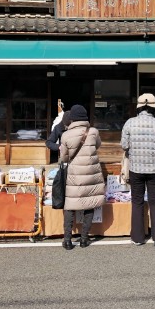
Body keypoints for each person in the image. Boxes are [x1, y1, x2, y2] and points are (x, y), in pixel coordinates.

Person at [121, 93, 155, 248]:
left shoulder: (129, 123)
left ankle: (138, 237)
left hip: (136, 168)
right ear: (153, 108)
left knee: (137, 201)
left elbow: (124, 146)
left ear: (139, 107)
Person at [59, 104, 105, 250]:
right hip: (92, 173)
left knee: (70, 206)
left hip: (75, 174)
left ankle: (67, 240)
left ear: (72, 118)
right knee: (89, 204)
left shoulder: (66, 135)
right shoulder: (93, 132)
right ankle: (84, 239)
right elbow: (97, 146)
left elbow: (64, 158)